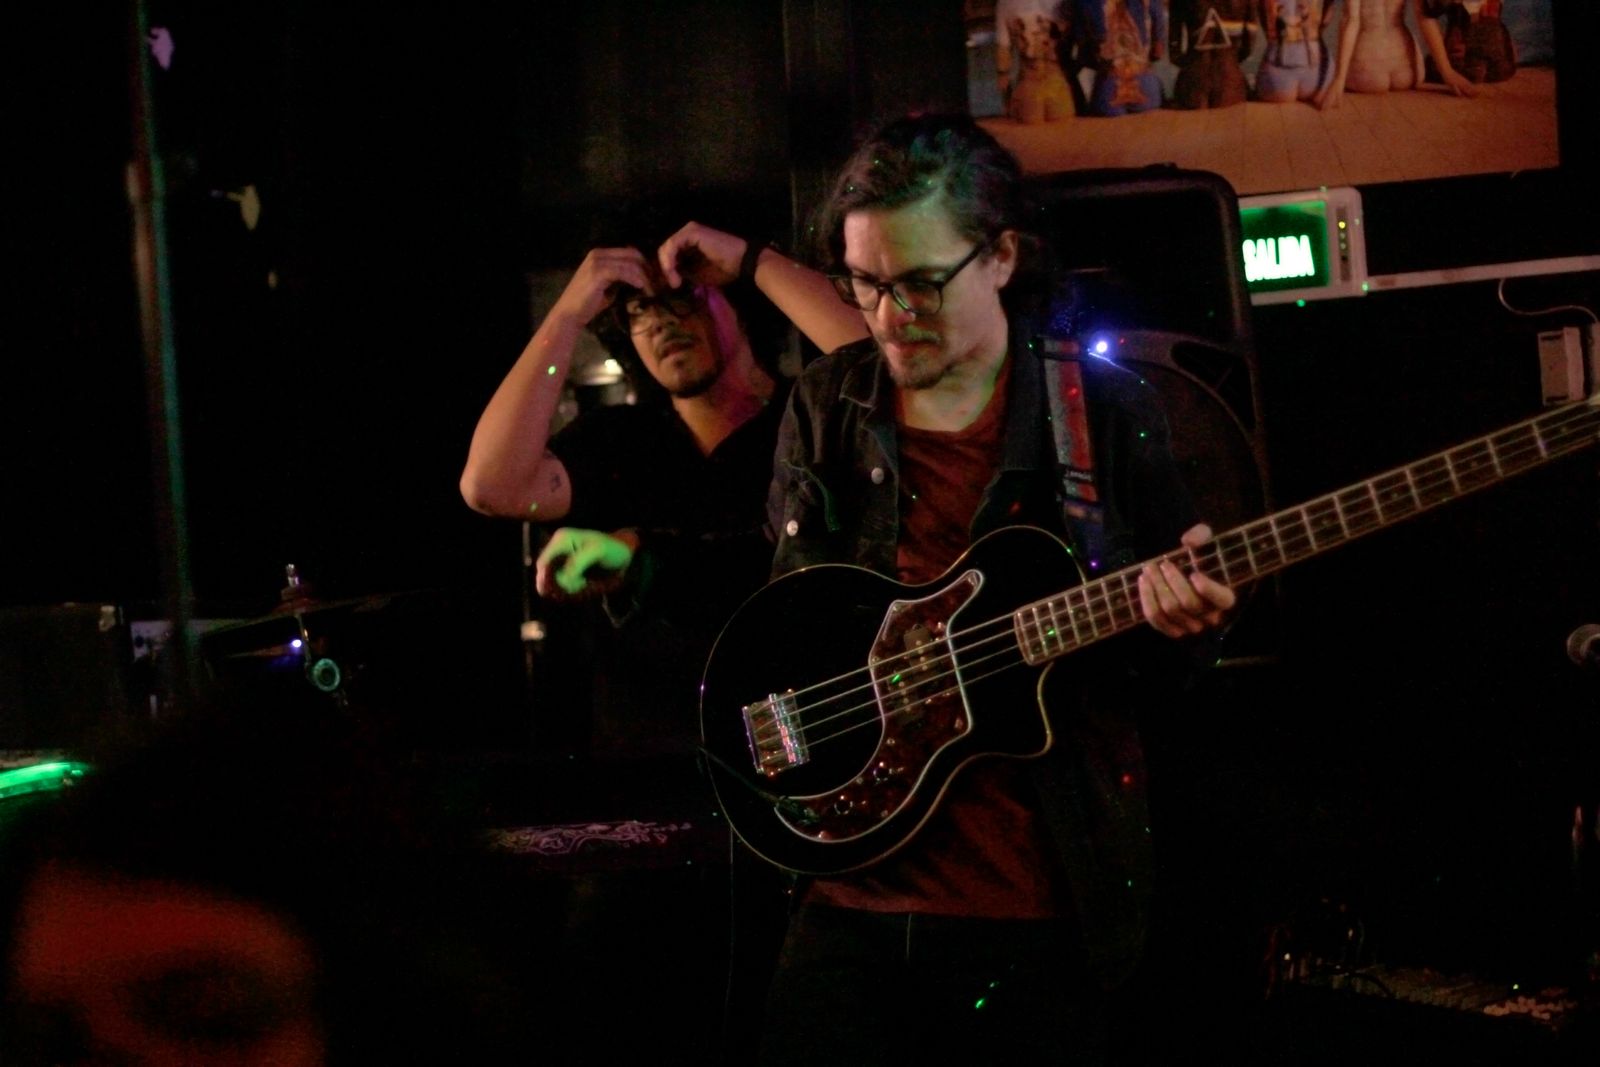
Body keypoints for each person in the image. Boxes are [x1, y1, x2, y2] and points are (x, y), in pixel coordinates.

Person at [749, 113, 1237, 1066]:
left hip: (1032, 904)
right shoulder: (828, 404)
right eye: (865, 282)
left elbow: (1166, 683)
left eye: (920, 282)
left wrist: (1184, 625)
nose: (889, 313)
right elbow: (790, 621)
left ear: (1003, 256)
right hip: (846, 890)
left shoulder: (1104, 412)